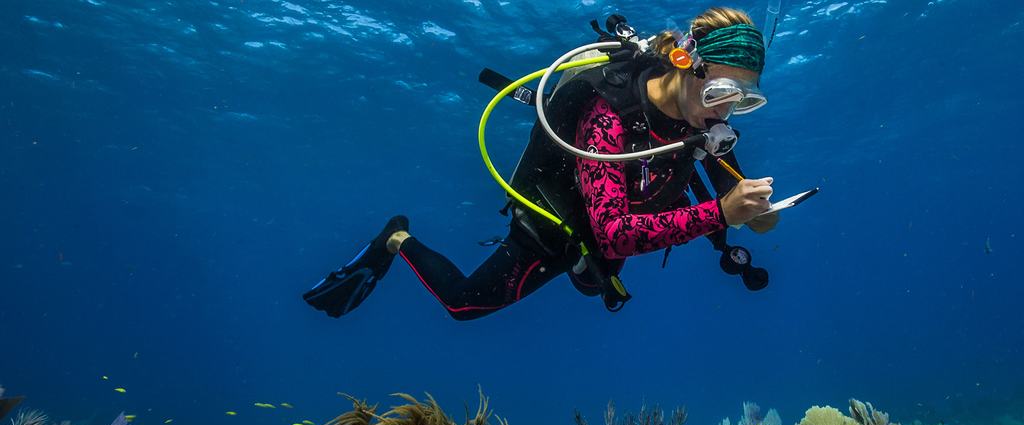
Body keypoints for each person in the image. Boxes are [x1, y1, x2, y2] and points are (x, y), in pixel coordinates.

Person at [304, 7, 780, 321]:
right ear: (684, 62)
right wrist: (722, 214)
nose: (726, 111)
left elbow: (733, 190)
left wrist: (758, 212)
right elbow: (616, 231)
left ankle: (584, 269)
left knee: (594, 284)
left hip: (610, 231)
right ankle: (395, 237)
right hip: (556, 219)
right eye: (721, 92)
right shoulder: (611, 112)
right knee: (464, 305)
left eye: (744, 101)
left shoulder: (706, 123)